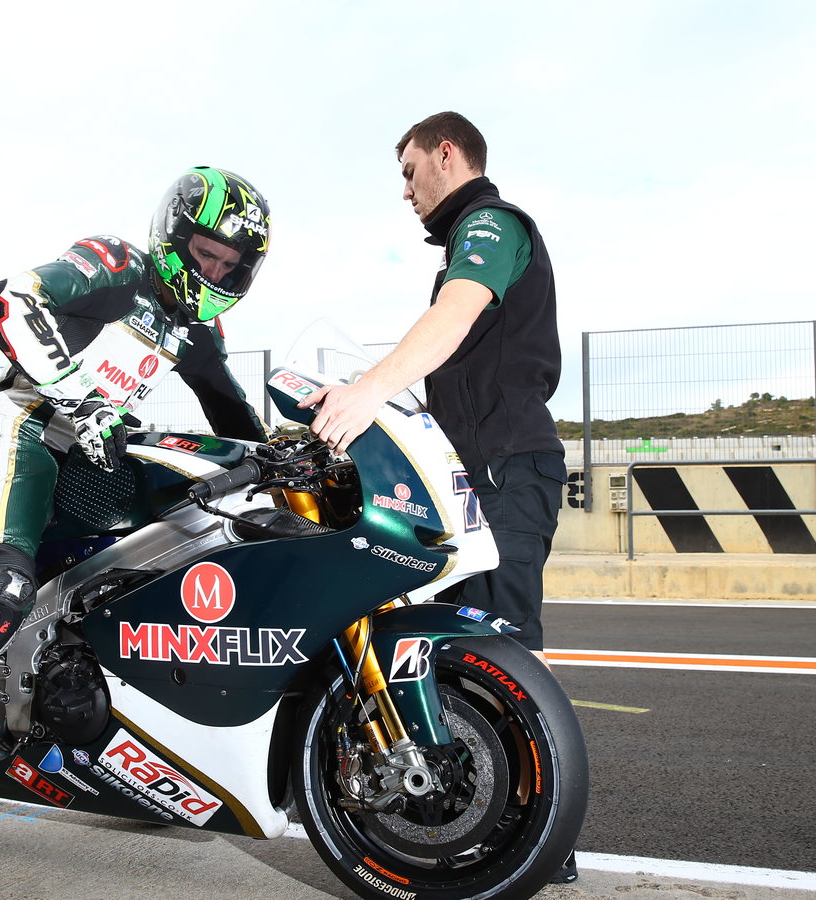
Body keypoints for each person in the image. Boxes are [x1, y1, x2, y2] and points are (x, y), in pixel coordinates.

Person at [0, 167, 272, 880]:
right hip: (27, 427)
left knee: (192, 543)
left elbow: (230, 411)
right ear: (174, 235)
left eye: (230, 265)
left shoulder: (198, 329)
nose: (214, 272)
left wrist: (285, 459)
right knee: (1, 592)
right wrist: (80, 395)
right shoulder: (118, 266)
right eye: (206, 253)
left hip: (101, 452)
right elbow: (10, 299)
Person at [297, 114, 575, 883]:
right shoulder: (467, 238)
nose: (406, 191)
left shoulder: (492, 224)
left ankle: (538, 846)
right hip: (477, 472)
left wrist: (366, 392)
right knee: (455, 653)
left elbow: (451, 316)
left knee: (499, 654)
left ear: (446, 155)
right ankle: (508, 838)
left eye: (410, 170)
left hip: (504, 471)